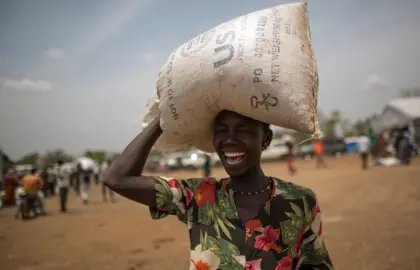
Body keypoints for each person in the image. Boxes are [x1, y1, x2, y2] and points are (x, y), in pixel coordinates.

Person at [105, 111, 333, 269]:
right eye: (221, 130)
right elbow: (117, 179)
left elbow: (316, 265)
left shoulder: (299, 200)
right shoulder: (197, 196)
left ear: (266, 139)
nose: (229, 139)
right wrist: (161, 119)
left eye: (243, 129)